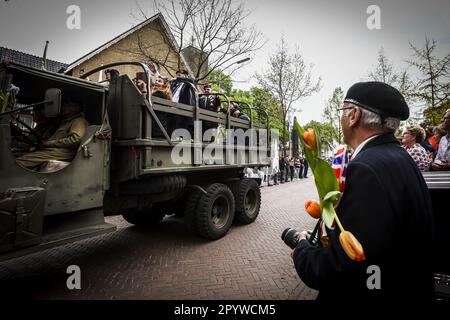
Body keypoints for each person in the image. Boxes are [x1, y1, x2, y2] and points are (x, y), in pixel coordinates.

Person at [292, 81, 434, 301]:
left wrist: (302, 248)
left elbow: (338, 268)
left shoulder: (364, 169)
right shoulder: (400, 157)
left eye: (342, 111)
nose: (341, 118)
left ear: (354, 115)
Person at [16, 100, 88, 170]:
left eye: (67, 105)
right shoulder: (65, 122)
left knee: (20, 162)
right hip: (52, 150)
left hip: (61, 152)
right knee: (20, 155)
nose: (63, 108)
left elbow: (75, 140)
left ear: (76, 108)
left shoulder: (79, 121)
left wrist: (48, 143)